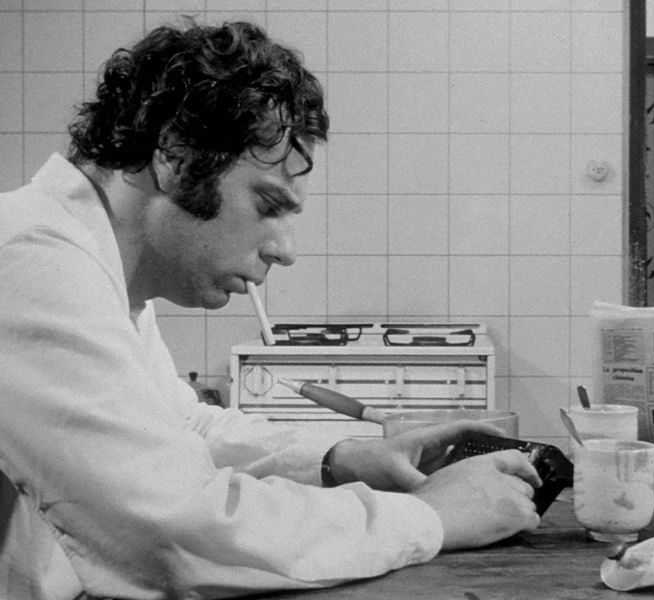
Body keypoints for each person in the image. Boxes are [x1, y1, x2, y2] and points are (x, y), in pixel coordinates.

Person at [0, 20, 542, 599]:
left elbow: (180, 430)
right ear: (176, 156)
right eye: (267, 204)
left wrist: (345, 459)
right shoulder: (30, 263)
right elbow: (171, 532)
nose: (284, 251)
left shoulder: (90, 265)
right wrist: (433, 517)